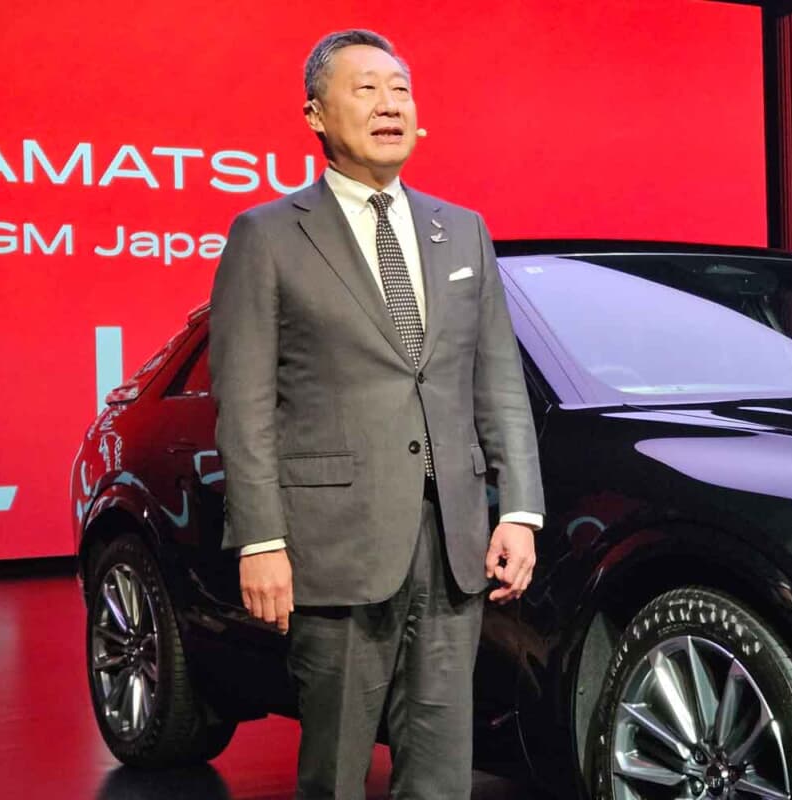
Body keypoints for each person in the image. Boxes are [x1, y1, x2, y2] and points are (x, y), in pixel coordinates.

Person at [208, 29, 545, 800]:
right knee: (334, 771)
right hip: (334, 544)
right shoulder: (268, 235)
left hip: (453, 542)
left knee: (442, 770)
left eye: (400, 89)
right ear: (315, 115)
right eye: (365, 88)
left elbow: (497, 379)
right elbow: (246, 402)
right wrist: (260, 539)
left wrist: (519, 511)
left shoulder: (462, 230)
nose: (389, 104)